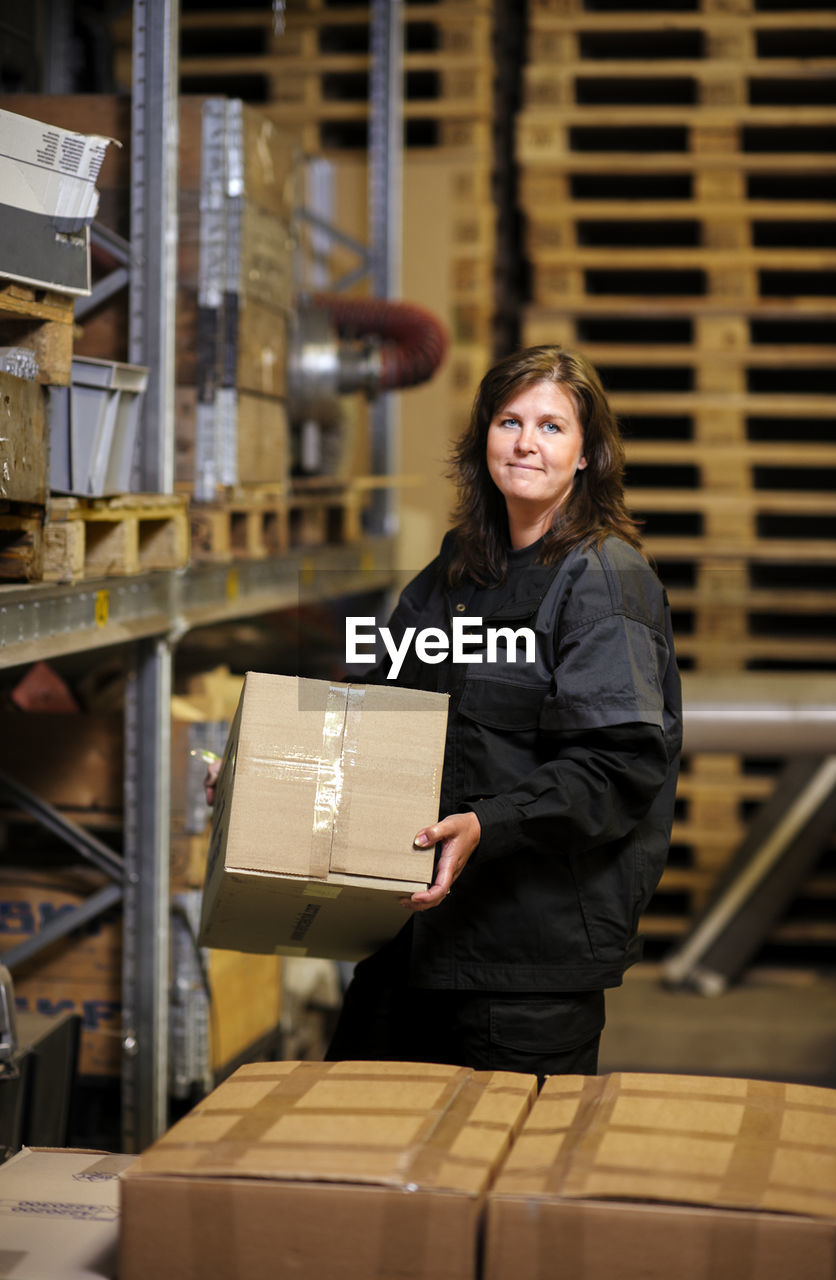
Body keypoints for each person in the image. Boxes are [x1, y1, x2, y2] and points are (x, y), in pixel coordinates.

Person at [207, 345, 682, 1083]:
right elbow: (368, 699)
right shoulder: (460, 569)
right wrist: (267, 772)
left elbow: (619, 768)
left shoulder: (603, 580)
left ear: (588, 455)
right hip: (413, 939)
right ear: (482, 437)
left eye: (553, 427)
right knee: (356, 1153)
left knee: (500, 1181)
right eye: (509, 420)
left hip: (525, 969)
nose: (526, 442)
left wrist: (492, 822)